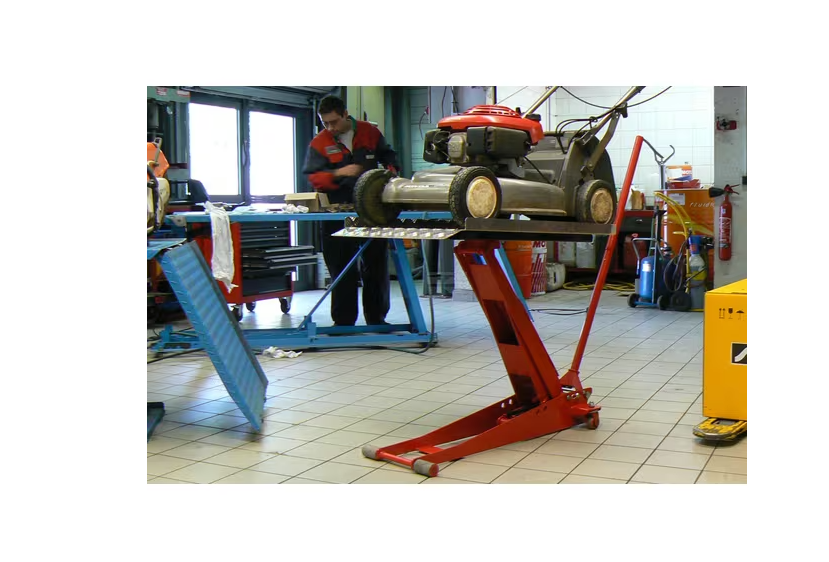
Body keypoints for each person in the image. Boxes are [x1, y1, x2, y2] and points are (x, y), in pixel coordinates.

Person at [302, 95, 400, 327]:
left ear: (345, 114)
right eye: (325, 123)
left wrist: (392, 173)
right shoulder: (319, 142)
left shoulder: (369, 133)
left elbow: (389, 157)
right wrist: (339, 173)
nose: (330, 128)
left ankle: (377, 320)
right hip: (337, 214)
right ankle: (343, 323)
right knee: (341, 267)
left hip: (371, 211)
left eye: (334, 122)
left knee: (376, 266)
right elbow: (313, 177)